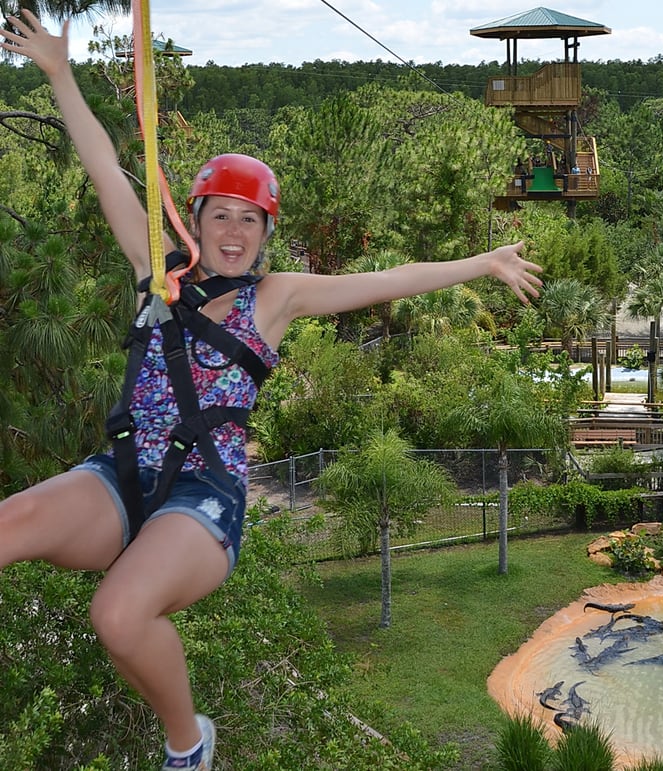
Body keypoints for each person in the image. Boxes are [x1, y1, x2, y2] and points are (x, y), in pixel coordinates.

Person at [0, 11, 543, 771]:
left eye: (249, 220)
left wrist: (480, 263)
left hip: (202, 500)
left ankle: (188, 747)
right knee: (9, 522)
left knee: (117, 612)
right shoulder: (156, 274)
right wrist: (59, 73)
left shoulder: (274, 300)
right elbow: (103, 169)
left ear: (265, 234)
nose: (233, 231)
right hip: (121, 477)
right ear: (194, 221)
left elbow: (383, 281)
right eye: (220, 214)